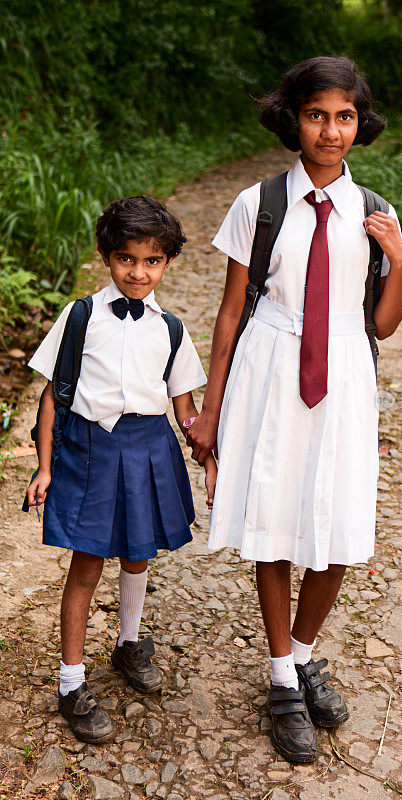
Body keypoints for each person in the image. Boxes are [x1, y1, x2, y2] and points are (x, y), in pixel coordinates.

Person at [187, 56, 402, 763]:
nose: (331, 130)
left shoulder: (375, 211)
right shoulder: (259, 205)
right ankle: (283, 678)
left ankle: (303, 651)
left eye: (344, 116)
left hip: (343, 370)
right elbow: (228, 315)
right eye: (317, 115)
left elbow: (381, 325)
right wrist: (209, 410)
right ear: (293, 119)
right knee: (278, 522)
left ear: (360, 123)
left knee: (340, 526)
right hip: (271, 364)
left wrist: (398, 263)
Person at [25, 195, 217, 743]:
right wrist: (44, 467)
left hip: (149, 447)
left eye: (151, 261)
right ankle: (70, 681)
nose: (138, 272)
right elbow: (51, 398)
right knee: (86, 564)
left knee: (138, 554)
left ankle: (129, 644)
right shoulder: (81, 316)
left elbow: (185, 411)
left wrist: (211, 457)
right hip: (91, 449)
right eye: (126, 259)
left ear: (167, 263)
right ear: (108, 257)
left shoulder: (171, 328)